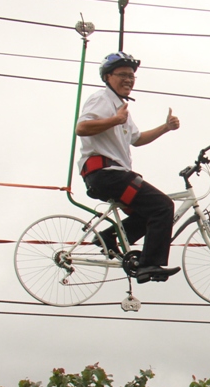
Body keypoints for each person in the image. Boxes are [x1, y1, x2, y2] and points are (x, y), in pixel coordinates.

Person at [76, 52, 180, 283]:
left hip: (111, 176)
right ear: (107, 76)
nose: (129, 80)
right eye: (122, 74)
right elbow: (81, 128)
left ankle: (108, 238)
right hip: (107, 174)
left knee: (148, 214)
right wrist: (114, 120)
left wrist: (165, 127)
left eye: (132, 76)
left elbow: (138, 139)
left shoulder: (120, 107)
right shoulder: (102, 99)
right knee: (163, 206)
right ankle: (148, 265)